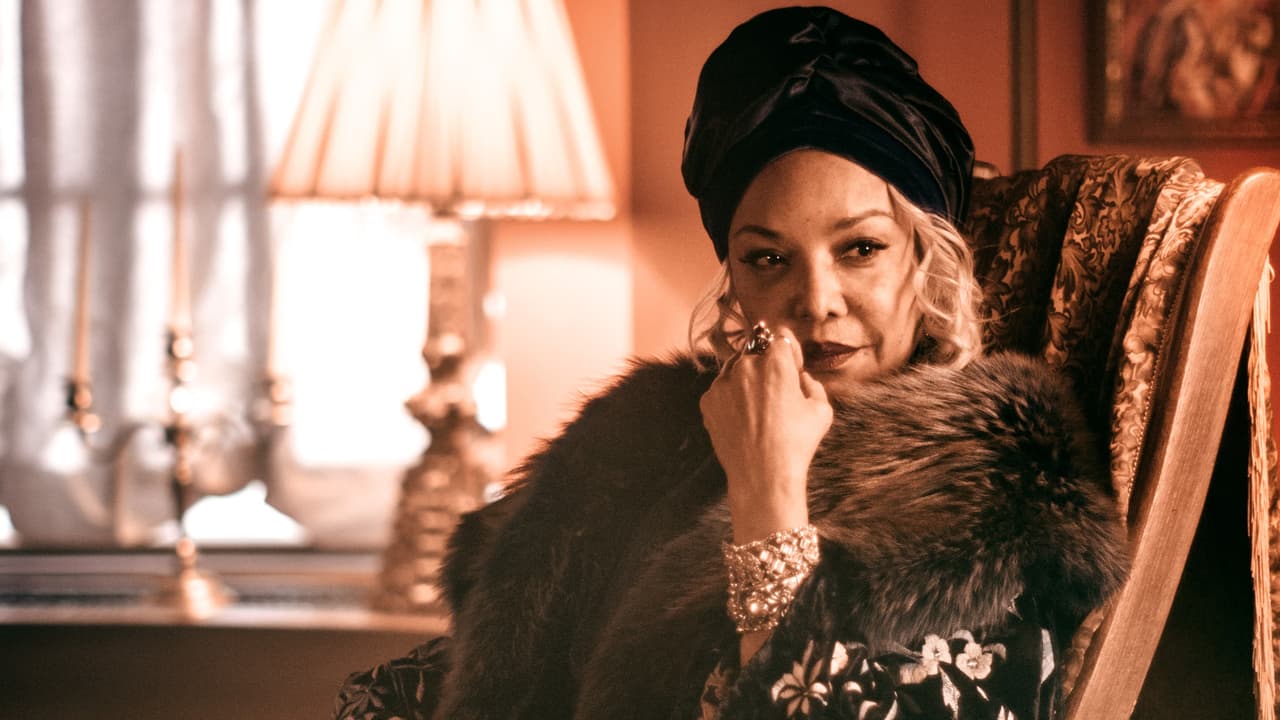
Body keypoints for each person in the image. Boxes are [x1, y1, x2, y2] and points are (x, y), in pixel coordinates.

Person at [334, 7, 1128, 719]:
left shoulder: (998, 504)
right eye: (768, 258)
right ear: (734, 282)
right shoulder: (648, 441)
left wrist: (769, 489)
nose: (816, 300)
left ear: (927, 261)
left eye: (860, 249)